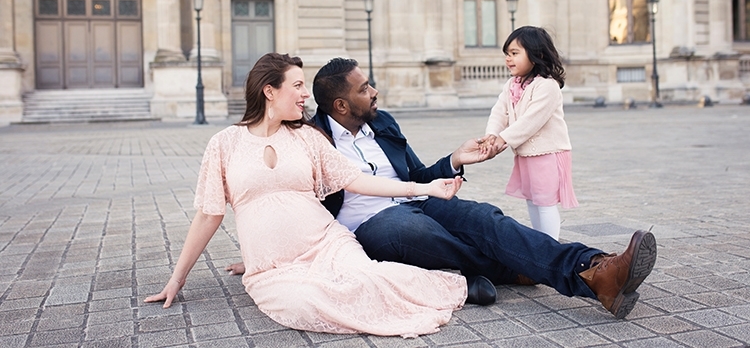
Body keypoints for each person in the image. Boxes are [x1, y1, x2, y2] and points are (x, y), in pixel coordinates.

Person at [229, 57, 658, 320]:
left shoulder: (382, 123)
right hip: (368, 225)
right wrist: (268, 252)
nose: (374, 92)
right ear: (341, 105)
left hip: (420, 198)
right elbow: (278, 195)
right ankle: (522, 265)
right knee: (416, 234)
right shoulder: (310, 138)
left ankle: (598, 271)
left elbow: (416, 173)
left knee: (483, 218)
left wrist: (454, 160)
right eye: (364, 89)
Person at [145, 53, 469, 338]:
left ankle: (463, 287)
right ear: (269, 91)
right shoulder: (224, 144)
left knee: (366, 277)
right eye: (297, 86)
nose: (305, 94)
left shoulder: (308, 138)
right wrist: (177, 279)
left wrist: (424, 187)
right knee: (305, 301)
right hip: (274, 267)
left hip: (327, 244)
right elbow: (208, 214)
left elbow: (357, 179)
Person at [479, 26, 577, 240]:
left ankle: (550, 248)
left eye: (514, 53)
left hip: (547, 154)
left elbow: (531, 121)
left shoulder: (547, 86)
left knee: (545, 202)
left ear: (536, 55)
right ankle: (541, 243)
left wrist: (503, 139)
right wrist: (491, 134)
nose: (508, 59)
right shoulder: (512, 84)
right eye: (507, 54)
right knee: (532, 199)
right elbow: (500, 111)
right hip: (525, 155)